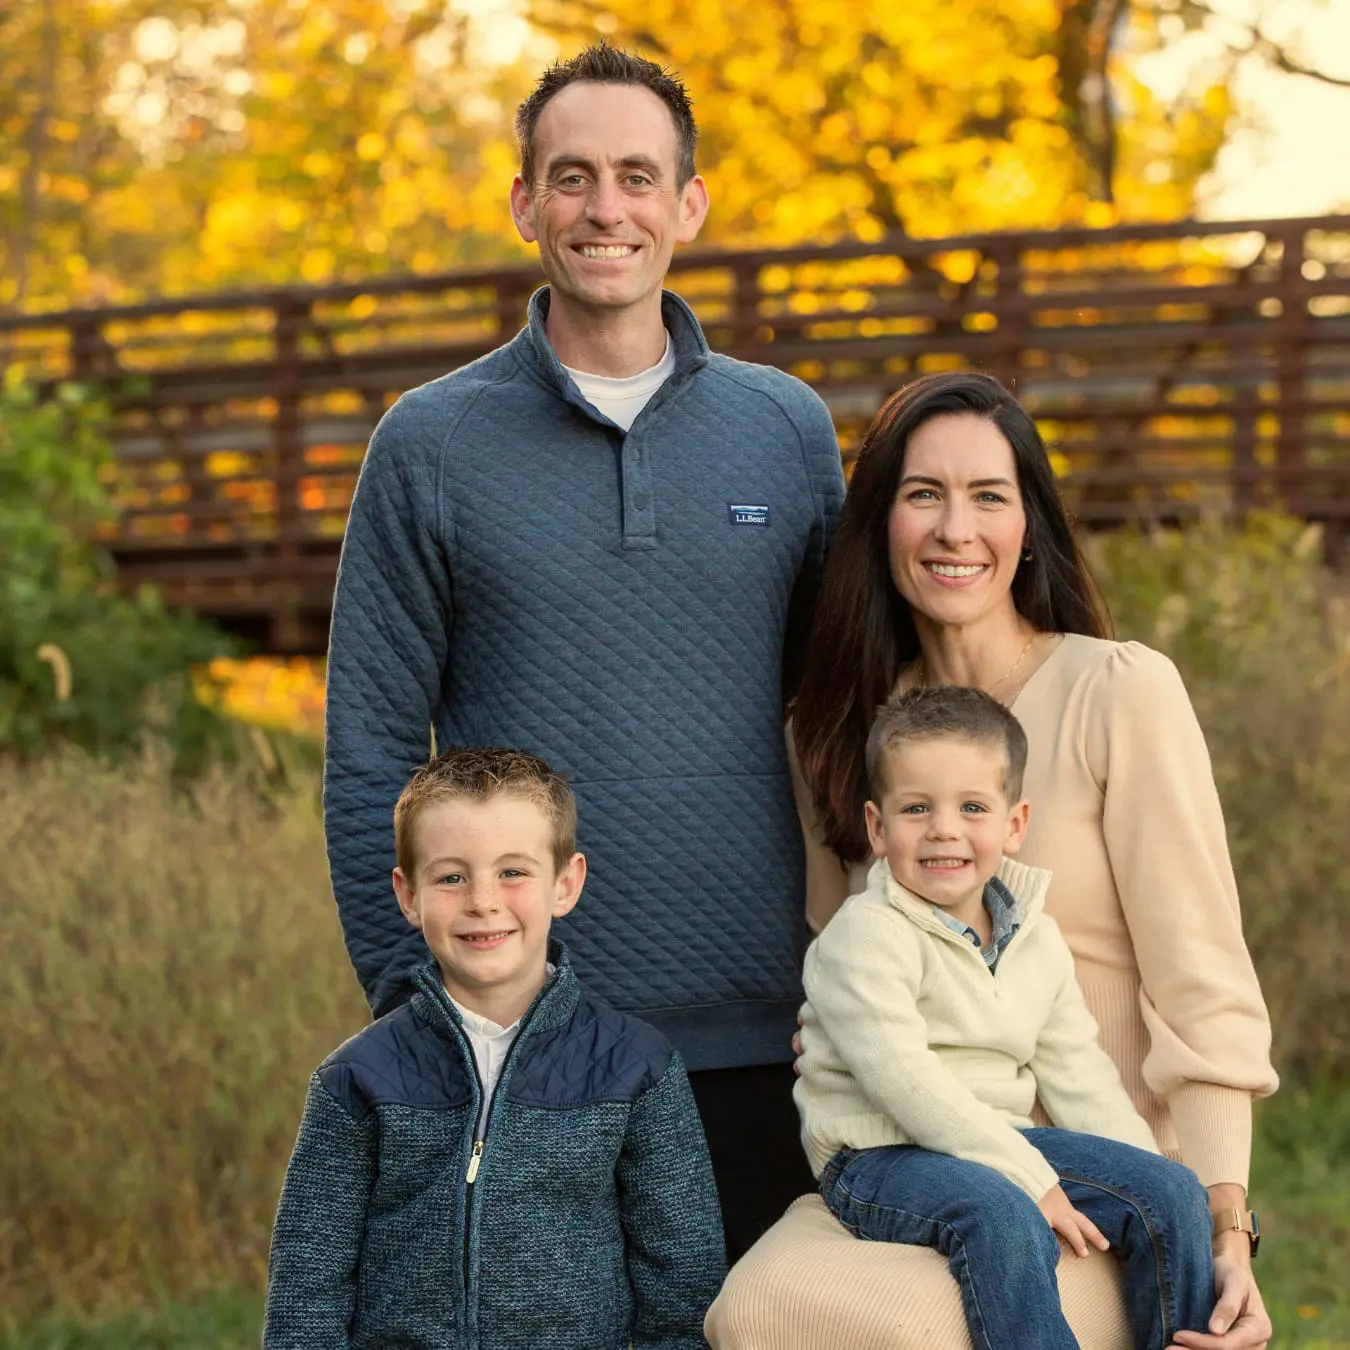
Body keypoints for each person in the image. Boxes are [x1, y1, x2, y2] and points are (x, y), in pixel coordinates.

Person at [322, 43, 843, 1260]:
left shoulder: (787, 430)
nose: (606, 209)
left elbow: (847, 719)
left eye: (637, 176)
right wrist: (421, 1007)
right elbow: (372, 752)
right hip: (529, 1037)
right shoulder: (428, 443)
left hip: (773, 1038)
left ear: (688, 204)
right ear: (523, 204)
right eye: (571, 177)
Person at [705, 370, 1278, 1350]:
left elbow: (1205, 991)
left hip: (1096, 1152)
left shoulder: (1117, 691)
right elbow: (843, 958)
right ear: (880, 521)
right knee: (768, 1311)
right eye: (922, 494)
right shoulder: (833, 732)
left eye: (988, 496)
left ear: (1030, 523)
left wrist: (1225, 1222)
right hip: (919, 1148)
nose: (953, 530)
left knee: (920, 1326)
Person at [797, 684, 1216, 1350]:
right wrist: (1030, 1179)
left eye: (972, 807)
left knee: (1170, 1192)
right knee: (1002, 1212)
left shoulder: (1035, 939)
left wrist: (1148, 1176)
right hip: (880, 1155)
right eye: (916, 808)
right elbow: (907, 1084)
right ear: (877, 828)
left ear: (1014, 824)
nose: (944, 829)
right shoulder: (865, 937)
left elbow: (1079, 1075)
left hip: (998, 1139)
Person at [265, 747, 724, 1349]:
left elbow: (684, 1289)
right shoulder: (356, 1079)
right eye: (452, 877)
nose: (483, 900)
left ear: (566, 883)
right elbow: (306, 1291)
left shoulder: (637, 1067)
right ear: (408, 896)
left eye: (513, 872)